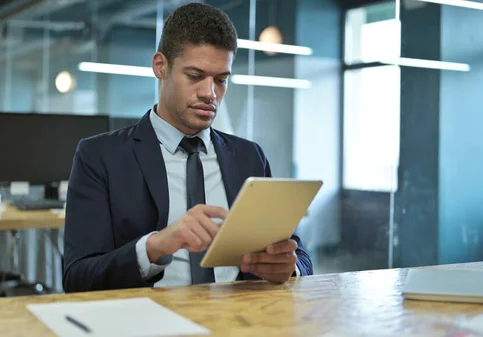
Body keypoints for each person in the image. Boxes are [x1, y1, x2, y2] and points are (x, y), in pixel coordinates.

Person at [62, 2, 312, 293]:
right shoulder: (100, 156)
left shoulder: (249, 157)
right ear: (160, 66)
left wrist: (289, 267)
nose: (210, 94)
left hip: (240, 320)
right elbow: (77, 278)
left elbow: (299, 253)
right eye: (195, 76)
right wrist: (155, 246)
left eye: (220, 80)